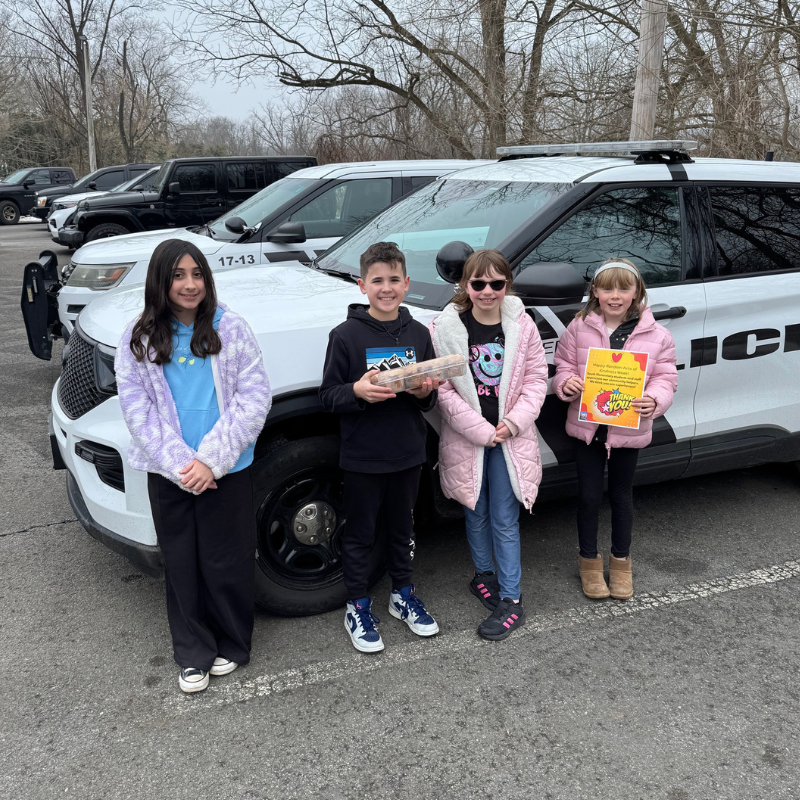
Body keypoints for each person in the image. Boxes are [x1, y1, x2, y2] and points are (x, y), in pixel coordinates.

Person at [115, 239, 271, 693]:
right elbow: (137, 407)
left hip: (227, 467)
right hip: (170, 472)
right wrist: (184, 464)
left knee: (226, 559)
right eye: (178, 275)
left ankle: (232, 642)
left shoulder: (232, 329)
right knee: (181, 561)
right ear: (160, 282)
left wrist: (211, 460)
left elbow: (253, 397)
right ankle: (192, 651)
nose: (189, 284)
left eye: (197, 274)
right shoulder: (139, 338)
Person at [320, 241, 439, 654]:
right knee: (360, 533)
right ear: (361, 286)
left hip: (408, 452)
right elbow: (328, 396)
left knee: (402, 527)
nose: (385, 288)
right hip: (363, 456)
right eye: (377, 281)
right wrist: (356, 390)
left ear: (406, 284)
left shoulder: (420, 334)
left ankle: (402, 594)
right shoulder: (346, 336)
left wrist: (426, 392)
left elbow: (428, 401)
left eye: (393, 280)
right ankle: (357, 605)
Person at [430, 250, 548, 640]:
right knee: (473, 509)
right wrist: (479, 429)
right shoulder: (447, 329)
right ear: (464, 285)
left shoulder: (521, 326)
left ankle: (511, 599)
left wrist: (512, 423)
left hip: (509, 438)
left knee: (503, 516)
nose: (486, 291)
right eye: (478, 283)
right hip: (470, 436)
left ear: (506, 285)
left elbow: (536, 380)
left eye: (496, 283)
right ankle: (483, 575)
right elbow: (444, 390)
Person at [553, 258, 678, 600]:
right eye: (607, 288)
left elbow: (666, 376)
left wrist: (654, 399)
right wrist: (566, 383)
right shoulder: (578, 327)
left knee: (622, 496)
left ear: (637, 291)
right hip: (588, 427)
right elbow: (562, 364)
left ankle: (621, 562)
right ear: (594, 291)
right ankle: (589, 563)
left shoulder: (656, 334)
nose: (615, 295)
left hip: (628, 430)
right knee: (589, 496)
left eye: (624, 288)